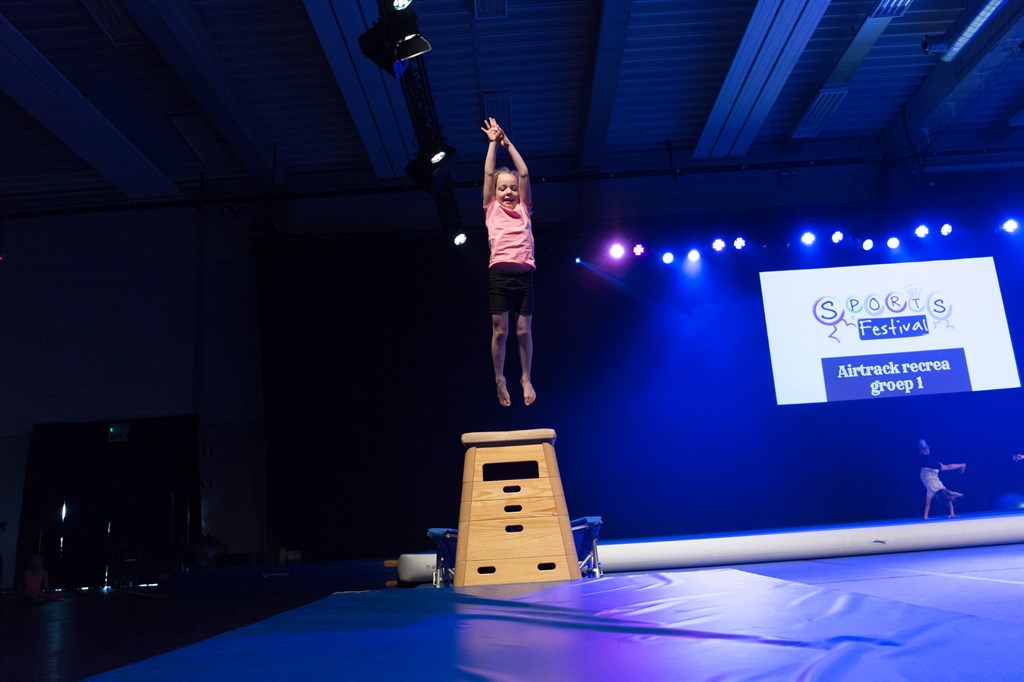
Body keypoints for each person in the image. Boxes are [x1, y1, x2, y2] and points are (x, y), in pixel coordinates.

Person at [481, 116, 536, 407]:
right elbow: (489, 174)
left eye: (512, 188)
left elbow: (524, 173)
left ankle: (525, 378)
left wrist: (507, 143)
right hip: (500, 276)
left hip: (524, 276)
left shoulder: (524, 208)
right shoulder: (491, 207)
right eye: (503, 188)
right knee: (500, 331)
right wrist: (493, 144)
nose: (508, 192)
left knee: (523, 331)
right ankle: (499, 379)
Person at [918, 439, 966, 519]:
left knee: (946, 467)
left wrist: (958, 494)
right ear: (937, 498)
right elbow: (927, 504)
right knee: (924, 454)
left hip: (930, 468)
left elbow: (950, 497)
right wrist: (926, 517)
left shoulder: (942, 488)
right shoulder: (931, 492)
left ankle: (962, 465)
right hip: (927, 468)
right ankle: (924, 446)